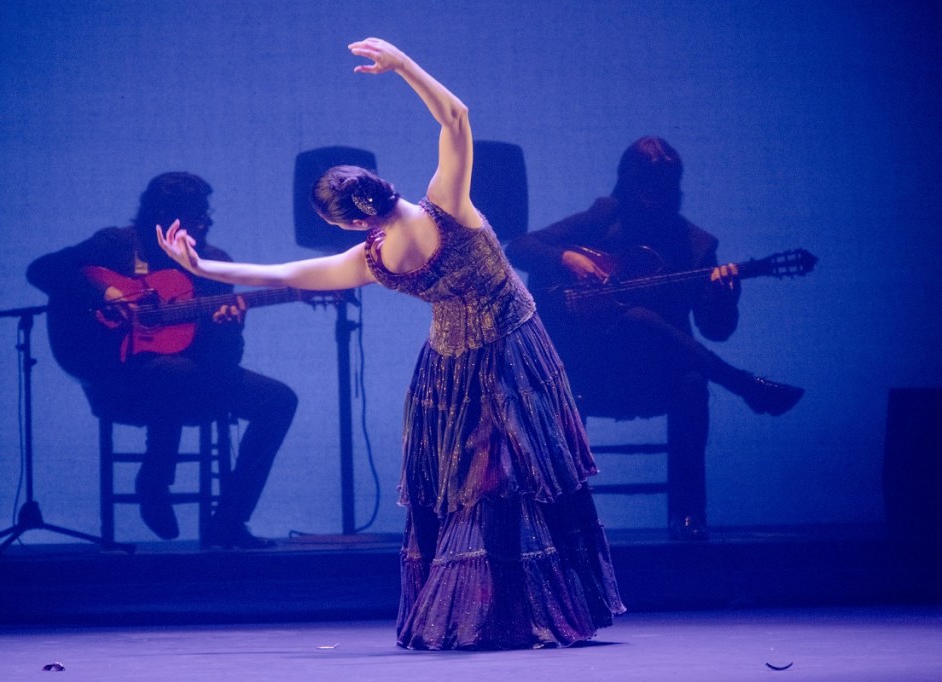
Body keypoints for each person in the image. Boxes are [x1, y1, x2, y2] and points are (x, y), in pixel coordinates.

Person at [157, 38, 624, 650]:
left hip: (469, 364)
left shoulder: (375, 258)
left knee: (475, 488)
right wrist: (403, 66)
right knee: (514, 482)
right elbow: (456, 116)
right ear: (380, 187)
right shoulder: (446, 204)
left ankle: (490, 615)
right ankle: (525, 613)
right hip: (501, 351)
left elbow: (290, 273)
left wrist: (206, 268)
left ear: (351, 221)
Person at [505, 137, 805, 541]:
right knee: (635, 318)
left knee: (686, 375)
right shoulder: (603, 218)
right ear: (629, 185)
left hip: (655, 377)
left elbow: (716, 330)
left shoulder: (696, 245)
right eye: (647, 188)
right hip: (595, 371)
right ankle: (742, 384)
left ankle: (688, 515)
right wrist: (567, 258)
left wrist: (725, 297)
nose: (657, 198)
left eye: (666, 188)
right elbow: (520, 247)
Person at [27, 172, 297, 548]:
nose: (205, 222)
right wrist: (105, 292)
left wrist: (228, 329)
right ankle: (155, 480)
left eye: (206, 213)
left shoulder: (214, 263)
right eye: (195, 215)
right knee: (174, 371)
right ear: (163, 217)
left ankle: (229, 521)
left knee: (279, 400)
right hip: (119, 379)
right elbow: (42, 270)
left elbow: (221, 362)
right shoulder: (118, 245)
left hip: (194, 379)